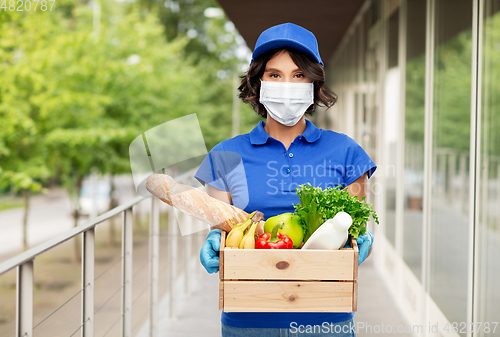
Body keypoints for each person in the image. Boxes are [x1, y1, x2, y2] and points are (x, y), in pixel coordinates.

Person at [195, 22, 376, 337]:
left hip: (325, 320)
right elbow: (223, 227)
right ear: (258, 82)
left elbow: (354, 228)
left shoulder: (346, 151)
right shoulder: (225, 154)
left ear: (314, 83)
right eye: (275, 75)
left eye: (298, 75)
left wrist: (361, 241)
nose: (287, 84)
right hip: (248, 320)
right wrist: (214, 242)